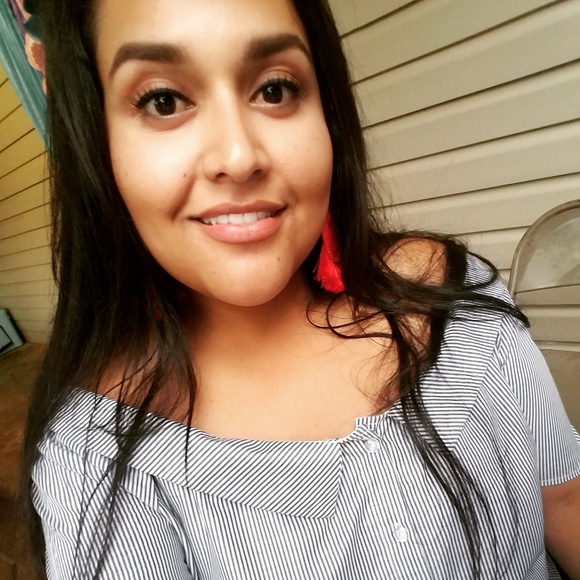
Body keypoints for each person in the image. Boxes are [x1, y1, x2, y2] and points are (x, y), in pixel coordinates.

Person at [20, 0, 580, 578]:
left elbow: (565, 501)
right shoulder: (94, 464)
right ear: (97, 141)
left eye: (275, 89)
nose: (239, 157)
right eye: (163, 100)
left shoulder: (450, 292)